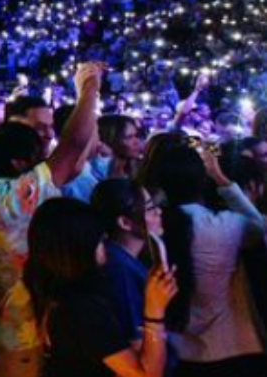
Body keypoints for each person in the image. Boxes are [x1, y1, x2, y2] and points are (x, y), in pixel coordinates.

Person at [0, 62, 103, 377]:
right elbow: (70, 149)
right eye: (37, 150)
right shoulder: (10, 198)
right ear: (20, 162)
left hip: (24, 323)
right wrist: (89, 87)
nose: (46, 146)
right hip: (19, 333)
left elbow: (74, 161)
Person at [24, 197, 176, 377]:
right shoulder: (82, 308)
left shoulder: (54, 292)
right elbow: (146, 374)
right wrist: (155, 313)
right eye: (98, 239)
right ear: (79, 249)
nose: (105, 240)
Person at [154, 140, 266, 376]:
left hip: (175, 346)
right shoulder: (224, 224)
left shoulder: (152, 228)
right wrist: (221, 179)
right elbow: (259, 229)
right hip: (230, 345)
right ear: (203, 181)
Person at [90, 179, 167, 362]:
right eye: (150, 208)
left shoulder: (122, 258)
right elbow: (137, 343)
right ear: (125, 222)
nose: (159, 212)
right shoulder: (119, 269)